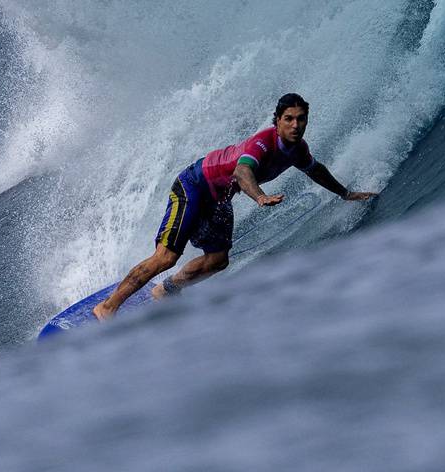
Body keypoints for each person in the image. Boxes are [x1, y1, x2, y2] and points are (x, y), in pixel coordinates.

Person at [92, 93, 377, 320]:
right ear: (276, 120)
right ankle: (108, 307)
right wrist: (260, 197)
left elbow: (315, 170)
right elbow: (243, 171)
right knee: (166, 257)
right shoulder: (262, 143)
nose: (295, 125)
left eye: (301, 119)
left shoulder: (298, 149)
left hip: (218, 199)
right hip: (193, 186)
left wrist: (345, 193)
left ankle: (167, 289)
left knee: (218, 260)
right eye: (288, 119)